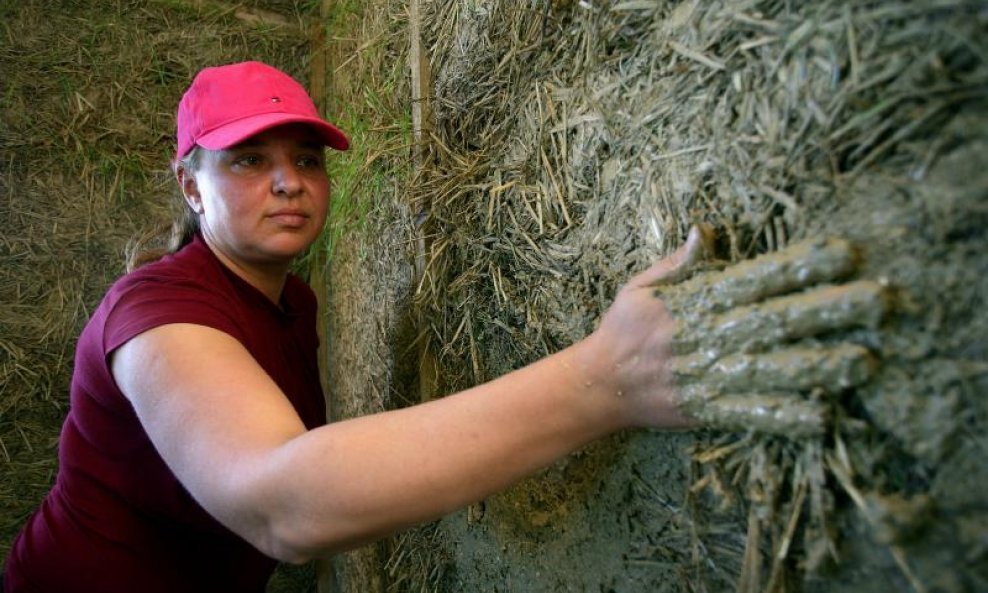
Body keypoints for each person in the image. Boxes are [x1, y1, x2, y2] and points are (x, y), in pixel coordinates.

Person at [2, 61, 696, 592]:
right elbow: (284, 505)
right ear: (190, 185)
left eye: (306, 159)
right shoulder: (153, 313)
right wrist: (607, 377)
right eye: (249, 160)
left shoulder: (293, 303)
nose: (289, 182)